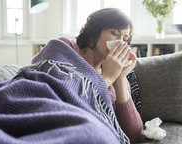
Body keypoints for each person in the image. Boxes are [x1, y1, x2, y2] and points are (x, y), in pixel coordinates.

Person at [58, 8, 143, 144]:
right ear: (93, 34)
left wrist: (119, 79)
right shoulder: (66, 47)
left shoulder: (117, 76)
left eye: (125, 39)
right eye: (115, 33)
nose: (121, 43)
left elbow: (134, 135)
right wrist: (107, 78)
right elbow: (63, 102)